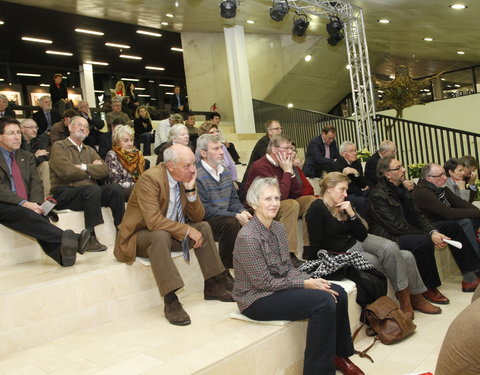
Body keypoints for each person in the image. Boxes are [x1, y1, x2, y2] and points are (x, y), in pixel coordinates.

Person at [233, 177, 364, 375]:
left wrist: (310, 280)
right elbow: (263, 283)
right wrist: (304, 283)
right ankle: (317, 371)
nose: (274, 203)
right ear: (253, 203)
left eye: (277, 198)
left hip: (276, 287)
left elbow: (287, 266)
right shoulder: (248, 237)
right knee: (323, 301)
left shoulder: (277, 228)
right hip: (256, 299)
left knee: (337, 292)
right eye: (267, 198)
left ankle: (339, 355)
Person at [114, 144, 233, 326]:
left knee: (202, 227)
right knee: (159, 235)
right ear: (170, 165)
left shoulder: (185, 178)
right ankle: (171, 301)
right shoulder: (150, 179)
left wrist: (191, 192)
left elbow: (198, 216)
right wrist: (186, 230)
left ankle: (214, 284)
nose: (193, 170)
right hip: (139, 236)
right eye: (187, 166)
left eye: (193, 164)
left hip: (169, 232)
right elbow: (153, 221)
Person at [306, 172, 440, 318]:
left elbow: (362, 234)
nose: (345, 194)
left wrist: (352, 215)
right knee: (406, 256)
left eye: (346, 190)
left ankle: (414, 297)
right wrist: (313, 270)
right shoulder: (317, 208)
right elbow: (316, 242)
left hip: (360, 241)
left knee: (391, 248)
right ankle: (409, 299)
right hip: (344, 252)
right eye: (342, 189)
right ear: (329, 188)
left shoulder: (344, 205)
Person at [368, 156, 480, 304]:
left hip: (408, 229)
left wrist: (432, 231)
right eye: (398, 168)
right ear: (387, 174)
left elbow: (417, 216)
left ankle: (471, 274)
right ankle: (429, 288)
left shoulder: (402, 189)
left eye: (402, 166)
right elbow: (396, 226)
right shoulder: (377, 195)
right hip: (390, 236)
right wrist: (429, 234)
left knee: (453, 226)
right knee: (423, 242)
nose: (404, 169)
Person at [0, 117, 90, 267]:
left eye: (18, 132)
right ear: (0, 136)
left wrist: (35, 203)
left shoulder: (26, 156)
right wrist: (24, 203)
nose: (17, 137)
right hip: (5, 202)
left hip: (25, 202)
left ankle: (62, 256)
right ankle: (74, 239)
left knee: (38, 214)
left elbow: (36, 183)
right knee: (27, 213)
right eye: (11, 133)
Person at [49, 116, 125, 252]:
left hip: (89, 194)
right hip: (64, 192)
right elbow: (66, 171)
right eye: (79, 124)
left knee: (115, 189)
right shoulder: (59, 146)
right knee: (92, 189)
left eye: (86, 126)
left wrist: (84, 167)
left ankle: (122, 231)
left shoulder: (89, 150)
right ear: (70, 127)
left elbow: (104, 170)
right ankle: (90, 237)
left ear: (88, 132)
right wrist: (91, 169)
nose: (83, 128)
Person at [245, 134, 316, 267]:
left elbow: (296, 192)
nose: (291, 151)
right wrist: (287, 171)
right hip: (261, 208)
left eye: (291, 148)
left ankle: (309, 249)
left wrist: (290, 171)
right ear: (275, 150)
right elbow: (278, 197)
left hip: (279, 204)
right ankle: (287, 255)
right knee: (291, 204)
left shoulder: (284, 164)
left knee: (311, 201)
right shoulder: (261, 166)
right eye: (287, 148)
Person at [196, 134, 251, 270]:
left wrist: (241, 210)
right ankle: (227, 269)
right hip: (207, 220)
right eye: (215, 149)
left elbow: (233, 200)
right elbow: (204, 209)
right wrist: (234, 215)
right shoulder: (196, 174)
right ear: (203, 153)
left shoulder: (225, 172)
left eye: (221, 147)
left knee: (256, 213)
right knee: (231, 223)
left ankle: (261, 262)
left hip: (226, 215)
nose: (221, 152)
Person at [413, 163, 480, 259]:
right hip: (430, 225)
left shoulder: (440, 187)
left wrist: (477, 212)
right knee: (465, 222)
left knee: (474, 219)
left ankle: (471, 252)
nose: (445, 178)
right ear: (429, 178)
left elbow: (460, 202)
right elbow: (448, 213)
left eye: (444, 174)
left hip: (443, 219)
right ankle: (475, 258)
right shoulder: (423, 192)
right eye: (440, 175)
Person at [105, 125, 145, 201]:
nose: (130, 143)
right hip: (119, 191)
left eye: (131, 140)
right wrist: (137, 185)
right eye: (126, 141)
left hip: (136, 188)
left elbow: (140, 177)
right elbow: (115, 182)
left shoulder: (137, 154)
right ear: (117, 142)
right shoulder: (112, 155)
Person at [334, 141, 369, 218]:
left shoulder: (357, 163)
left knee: (375, 193)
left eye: (355, 150)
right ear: (343, 154)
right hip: (346, 195)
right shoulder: (337, 165)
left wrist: (356, 173)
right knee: (361, 201)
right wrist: (343, 175)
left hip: (358, 192)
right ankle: (368, 224)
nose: (355, 153)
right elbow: (338, 186)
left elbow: (363, 184)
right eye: (351, 151)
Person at [242, 119, 283, 183]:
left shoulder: (274, 143)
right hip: (254, 183)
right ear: (270, 131)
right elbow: (270, 161)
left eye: (280, 128)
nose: (280, 131)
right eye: (277, 129)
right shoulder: (263, 143)